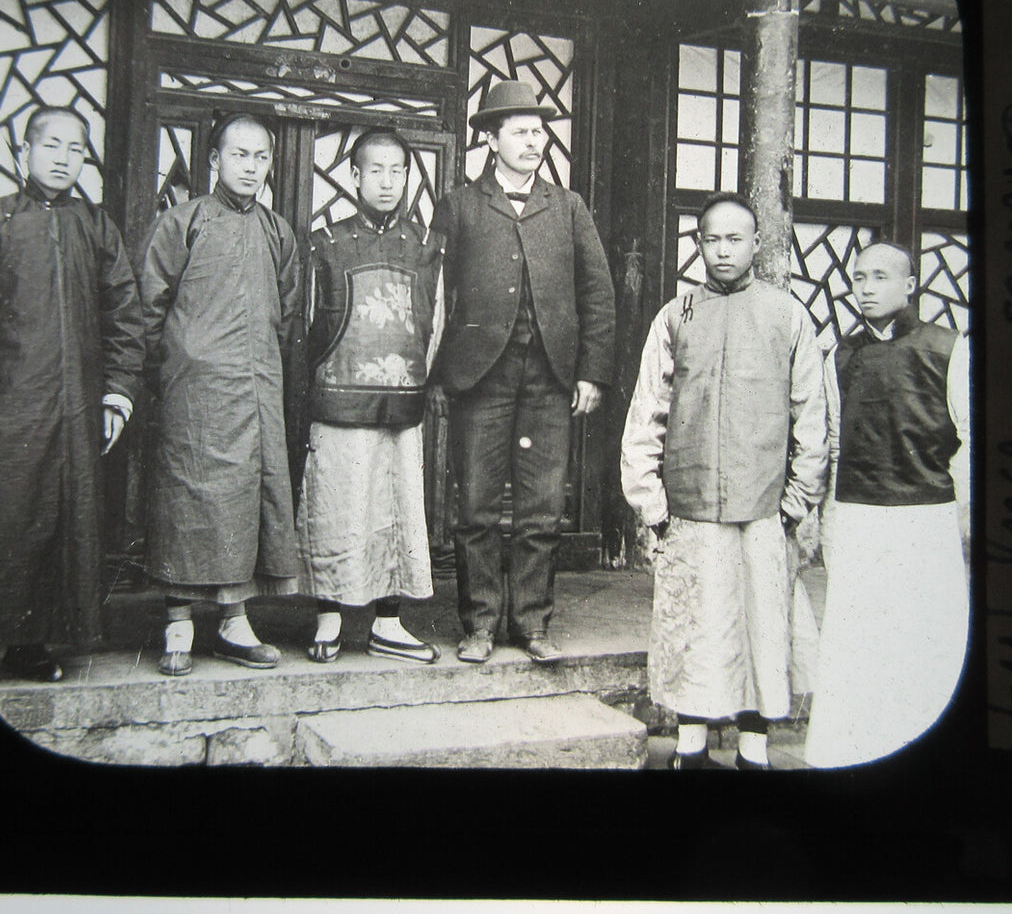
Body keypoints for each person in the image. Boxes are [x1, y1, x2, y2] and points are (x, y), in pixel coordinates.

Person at [621, 192, 827, 769]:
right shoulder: (676, 315)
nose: (723, 251)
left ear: (757, 244)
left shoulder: (788, 315)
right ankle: (690, 747)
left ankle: (753, 748)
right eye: (712, 239)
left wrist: (795, 503)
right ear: (699, 245)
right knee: (699, 627)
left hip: (764, 509)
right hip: (690, 509)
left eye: (735, 239)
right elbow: (647, 412)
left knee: (761, 627)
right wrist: (652, 504)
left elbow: (812, 416)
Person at [430, 79, 617, 665]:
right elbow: (435, 295)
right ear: (491, 139)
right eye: (520, 132)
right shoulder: (460, 205)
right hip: (479, 378)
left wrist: (591, 373)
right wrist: (438, 376)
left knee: (541, 508)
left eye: (539, 132)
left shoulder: (568, 207)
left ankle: (532, 622)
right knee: (476, 507)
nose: (534, 142)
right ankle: (480, 623)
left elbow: (598, 293)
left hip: (550, 379)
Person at [0, 106, 145, 683]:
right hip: (4, 405)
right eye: (51, 145)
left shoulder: (95, 225)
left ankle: (29, 644)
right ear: (24, 152)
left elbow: (124, 316)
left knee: (60, 520)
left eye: (76, 149)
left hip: (75, 405)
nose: (63, 158)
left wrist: (116, 393)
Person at [139, 113, 301, 676]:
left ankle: (235, 623)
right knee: (186, 500)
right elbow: (148, 309)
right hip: (193, 393)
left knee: (246, 499)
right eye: (239, 155)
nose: (250, 167)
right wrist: (173, 372)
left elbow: (287, 316)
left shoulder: (278, 232)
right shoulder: (181, 223)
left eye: (261, 157)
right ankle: (177, 624)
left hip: (256, 390)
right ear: (214, 160)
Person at [803, 242, 970, 768]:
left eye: (880, 277)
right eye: (859, 278)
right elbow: (833, 444)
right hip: (857, 516)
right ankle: (849, 755)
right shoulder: (841, 356)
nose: (867, 288)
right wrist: (828, 517)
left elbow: (970, 436)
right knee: (859, 642)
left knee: (924, 640)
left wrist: (962, 512)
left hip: (927, 515)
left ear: (909, 285)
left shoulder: (948, 347)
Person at [295, 129, 446, 664]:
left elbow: (437, 324)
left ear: (407, 177)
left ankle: (388, 622)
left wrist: (419, 380)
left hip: (402, 407)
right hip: (337, 405)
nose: (386, 182)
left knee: (396, 508)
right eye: (375, 170)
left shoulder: (427, 247)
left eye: (396, 171)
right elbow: (306, 327)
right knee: (336, 506)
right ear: (355, 176)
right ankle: (328, 617)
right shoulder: (325, 244)